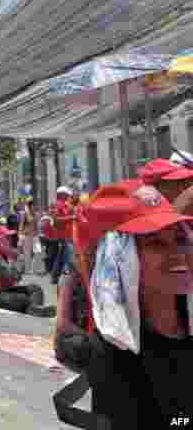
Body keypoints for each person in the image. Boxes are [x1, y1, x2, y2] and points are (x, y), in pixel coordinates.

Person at [76, 182, 193, 426]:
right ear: (120, 260)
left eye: (180, 238)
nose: (176, 253)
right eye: (155, 244)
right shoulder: (116, 356)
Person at [0, 225, 55, 316]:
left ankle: (33, 308)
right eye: (6, 238)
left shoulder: (0, 253)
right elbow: (12, 277)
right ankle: (32, 308)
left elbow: (15, 278)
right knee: (22, 299)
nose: (9, 241)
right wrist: (18, 259)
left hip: (2, 290)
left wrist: (14, 258)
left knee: (35, 289)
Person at [53, 241, 92, 372]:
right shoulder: (68, 279)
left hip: (85, 334)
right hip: (70, 340)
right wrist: (89, 336)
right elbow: (63, 325)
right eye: (85, 255)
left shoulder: (92, 278)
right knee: (84, 346)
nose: (89, 259)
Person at [47, 186, 74, 284]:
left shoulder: (66, 205)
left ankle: (54, 277)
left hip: (67, 234)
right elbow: (56, 220)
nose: (68, 196)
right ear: (61, 195)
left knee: (61, 256)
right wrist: (72, 217)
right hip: (62, 235)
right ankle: (71, 276)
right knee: (69, 256)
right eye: (66, 194)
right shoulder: (57, 205)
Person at [18, 199, 37, 275]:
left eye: (35, 205)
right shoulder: (25, 214)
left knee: (38, 252)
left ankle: (33, 269)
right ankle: (27, 270)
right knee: (27, 253)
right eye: (33, 205)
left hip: (35, 235)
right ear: (30, 206)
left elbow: (35, 225)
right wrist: (20, 235)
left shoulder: (35, 214)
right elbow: (21, 224)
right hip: (26, 235)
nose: (34, 206)